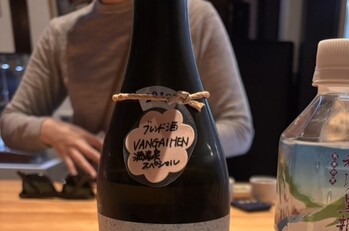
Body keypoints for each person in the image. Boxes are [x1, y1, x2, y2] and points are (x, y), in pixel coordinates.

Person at [0, 0, 254, 179]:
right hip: (96, 192)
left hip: (177, 194)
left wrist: (161, 148)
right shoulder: (61, 33)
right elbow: (10, 122)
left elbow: (239, 129)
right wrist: (52, 130)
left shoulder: (194, 15)